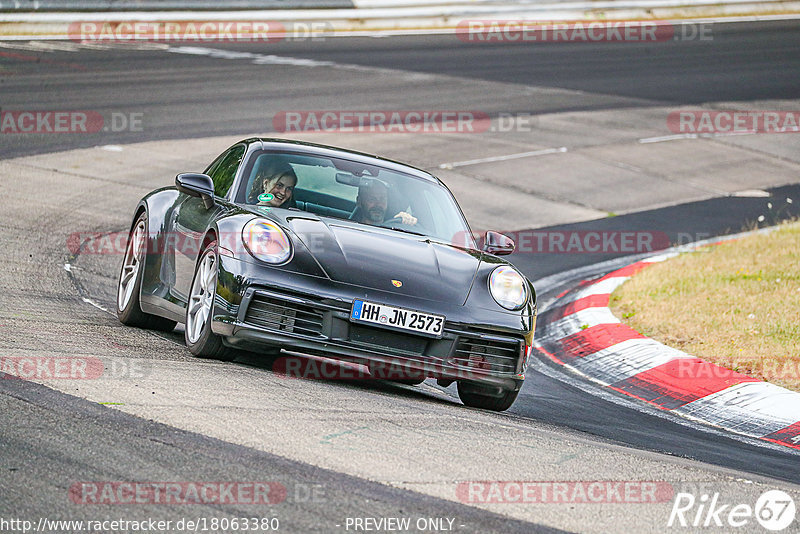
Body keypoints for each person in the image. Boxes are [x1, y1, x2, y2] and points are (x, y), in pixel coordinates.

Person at [352, 180, 417, 226]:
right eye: (372, 199)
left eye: (382, 199)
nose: (378, 204)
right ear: (359, 201)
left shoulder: (394, 227)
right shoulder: (351, 229)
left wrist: (405, 220)